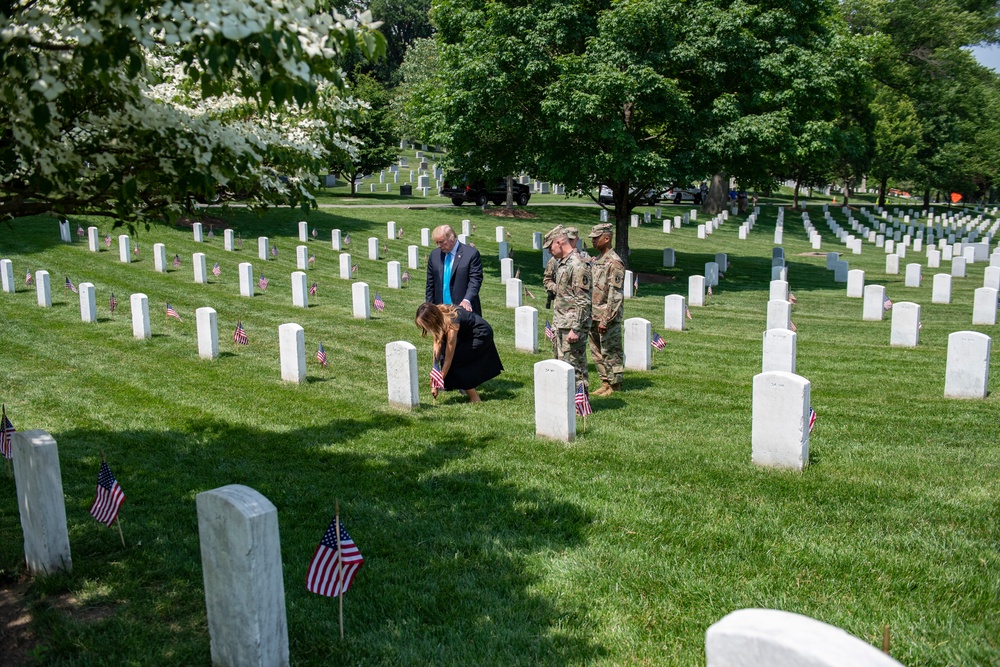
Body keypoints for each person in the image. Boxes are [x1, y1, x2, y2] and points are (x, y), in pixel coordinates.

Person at [415, 302, 503, 402]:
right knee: (451, 361)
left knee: (456, 362)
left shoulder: (452, 325)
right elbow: (437, 343)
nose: (425, 329)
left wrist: (437, 383)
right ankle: (467, 388)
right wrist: (435, 368)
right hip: (467, 333)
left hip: (481, 334)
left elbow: (449, 359)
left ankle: (475, 398)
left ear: (432, 320)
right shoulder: (439, 314)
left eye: (425, 325)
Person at [544, 225, 592, 388]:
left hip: (572, 326)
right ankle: (565, 406)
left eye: (550, 247)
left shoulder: (578, 265)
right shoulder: (563, 264)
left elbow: (583, 301)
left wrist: (577, 329)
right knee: (561, 368)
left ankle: (580, 408)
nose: (549, 251)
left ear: (559, 242)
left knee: (575, 369)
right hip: (561, 324)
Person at [587, 223, 624, 396]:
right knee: (597, 351)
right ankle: (605, 382)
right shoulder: (596, 261)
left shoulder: (614, 262)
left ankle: (615, 384)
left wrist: (606, 319)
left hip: (607, 316)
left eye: (596, 237)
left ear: (607, 238)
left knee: (611, 350)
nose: (593, 241)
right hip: (593, 314)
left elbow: (615, 295)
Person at [425, 224, 483, 315]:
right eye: (437, 243)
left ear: (451, 237)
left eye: (441, 242)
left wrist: (466, 300)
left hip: (463, 309)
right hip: (440, 310)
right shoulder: (434, 255)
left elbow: (475, 281)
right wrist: (429, 307)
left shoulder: (471, 254)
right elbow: (430, 284)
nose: (439, 245)